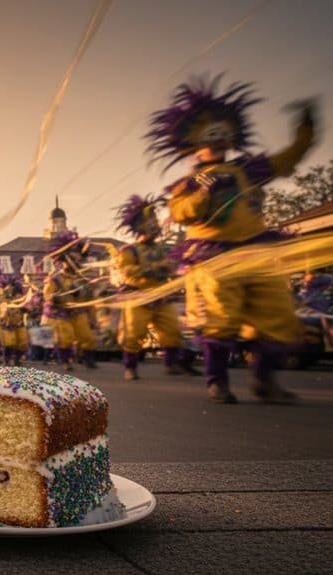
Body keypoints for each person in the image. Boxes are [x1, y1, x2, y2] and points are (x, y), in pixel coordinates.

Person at [150, 75, 317, 403]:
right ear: (193, 140)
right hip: (214, 258)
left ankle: (265, 381)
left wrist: (306, 129)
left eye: (222, 131)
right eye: (208, 132)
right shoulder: (190, 181)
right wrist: (201, 195)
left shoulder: (249, 169)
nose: (216, 137)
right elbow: (180, 212)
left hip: (256, 251)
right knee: (221, 318)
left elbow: (288, 158)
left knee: (280, 317)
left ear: (232, 135)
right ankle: (217, 382)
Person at [114, 195, 199, 380]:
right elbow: (127, 271)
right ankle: (130, 367)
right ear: (139, 227)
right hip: (138, 297)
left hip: (162, 297)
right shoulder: (129, 250)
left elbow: (174, 269)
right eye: (149, 222)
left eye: (155, 221)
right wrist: (154, 268)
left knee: (172, 330)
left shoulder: (162, 250)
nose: (154, 226)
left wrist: (176, 269)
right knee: (134, 333)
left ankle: (171, 364)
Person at [43, 231, 98, 370]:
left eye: (78, 259)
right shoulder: (55, 279)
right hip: (61, 312)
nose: (77, 262)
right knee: (65, 338)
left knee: (88, 337)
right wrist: (55, 297)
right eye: (73, 259)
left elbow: (90, 300)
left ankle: (88, 359)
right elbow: (47, 295)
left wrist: (93, 317)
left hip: (78, 312)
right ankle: (66, 361)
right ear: (63, 261)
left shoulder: (83, 280)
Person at [0, 275, 29, 367]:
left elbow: (25, 309)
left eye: (11, 286)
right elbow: (0, 311)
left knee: (22, 343)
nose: (9, 288)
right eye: (7, 286)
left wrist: (27, 308)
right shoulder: (1, 298)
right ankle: (6, 360)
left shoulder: (19, 298)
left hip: (19, 323)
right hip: (7, 324)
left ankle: (17, 359)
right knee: (9, 344)